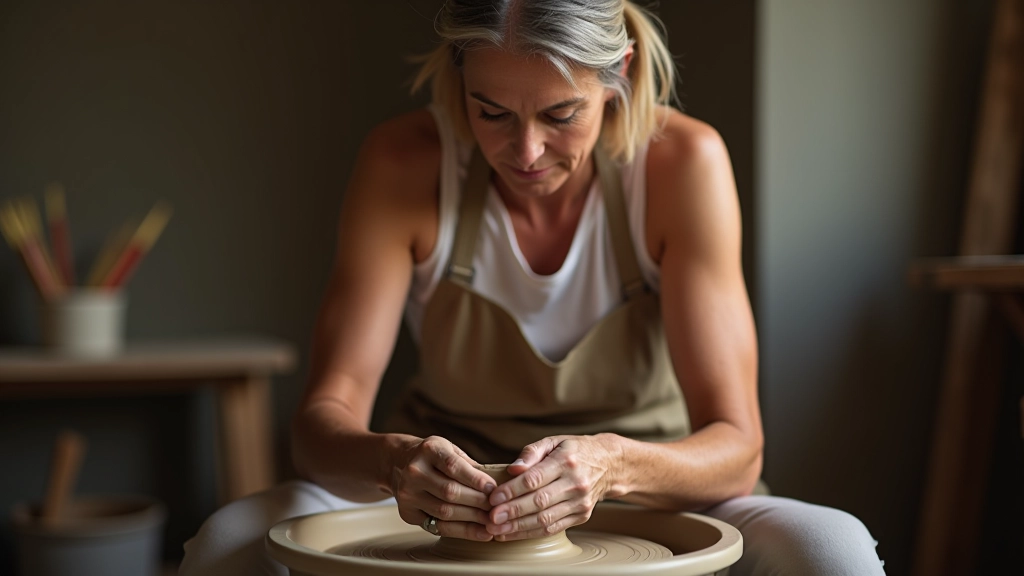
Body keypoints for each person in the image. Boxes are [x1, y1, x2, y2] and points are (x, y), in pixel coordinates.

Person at [180, 1, 886, 574]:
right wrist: (395, 464)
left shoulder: (681, 164)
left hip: (646, 490)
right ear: (460, 80)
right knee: (227, 542)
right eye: (492, 112)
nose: (525, 153)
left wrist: (609, 465)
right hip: (449, 507)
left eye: (560, 115)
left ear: (619, 76)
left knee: (836, 553)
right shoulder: (404, 164)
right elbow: (319, 426)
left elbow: (739, 447)